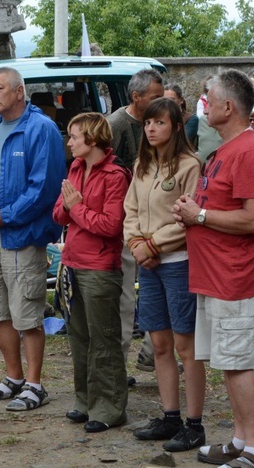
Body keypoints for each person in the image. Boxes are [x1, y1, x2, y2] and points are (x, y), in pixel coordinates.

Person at [172, 69, 254, 468]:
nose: (204, 103)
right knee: (227, 363)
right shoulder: (227, 148)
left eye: (208, 98)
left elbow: (253, 220)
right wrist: (194, 213)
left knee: (237, 364)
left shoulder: (249, 151)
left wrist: (198, 215)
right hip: (216, 275)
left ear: (228, 106)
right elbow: (218, 209)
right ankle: (240, 439)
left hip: (236, 276)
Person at [0, 66, 64, 411]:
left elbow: (44, 188)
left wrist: (5, 215)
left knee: (26, 311)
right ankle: (13, 377)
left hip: (19, 234)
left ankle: (35, 384)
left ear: (19, 91)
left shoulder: (41, 129)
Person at [124, 98, 205, 451]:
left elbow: (187, 216)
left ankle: (194, 423)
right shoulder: (141, 164)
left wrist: (152, 244)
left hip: (177, 262)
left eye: (159, 122)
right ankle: (169, 416)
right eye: (147, 123)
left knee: (186, 346)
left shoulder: (189, 165)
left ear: (174, 126)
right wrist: (136, 243)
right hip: (148, 263)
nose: (152, 128)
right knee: (159, 344)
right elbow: (130, 210)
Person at [52, 112, 129, 433]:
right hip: (72, 263)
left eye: (74, 137)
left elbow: (111, 226)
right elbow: (58, 214)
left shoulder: (115, 175)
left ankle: (109, 408)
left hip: (99, 267)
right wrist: (72, 207)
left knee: (104, 339)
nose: (69, 143)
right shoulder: (75, 167)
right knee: (79, 338)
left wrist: (77, 208)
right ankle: (84, 401)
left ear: (93, 139)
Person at [107, 68, 165, 378]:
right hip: (126, 225)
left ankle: (150, 353)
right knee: (125, 298)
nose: (161, 103)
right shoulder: (116, 125)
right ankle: (117, 367)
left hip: (155, 222)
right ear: (136, 97)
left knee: (160, 290)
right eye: (155, 97)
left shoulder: (158, 124)